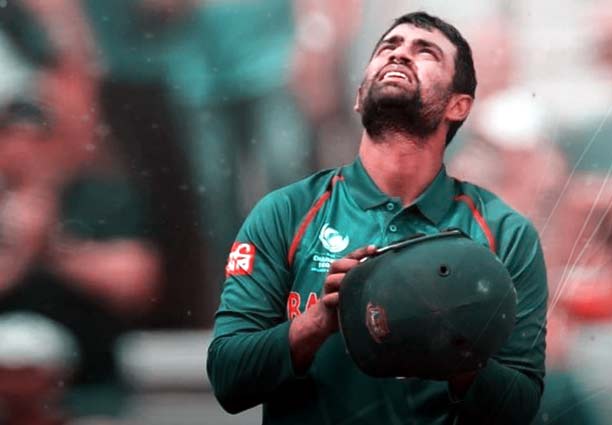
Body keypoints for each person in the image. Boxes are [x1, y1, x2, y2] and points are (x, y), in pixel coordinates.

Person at [207, 11, 548, 424]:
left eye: (426, 52)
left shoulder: (506, 233)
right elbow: (228, 379)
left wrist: (451, 339)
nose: (399, 54)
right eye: (388, 46)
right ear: (358, 95)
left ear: (458, 106)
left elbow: (521, 407)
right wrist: (320, 321)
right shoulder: (285, 212)